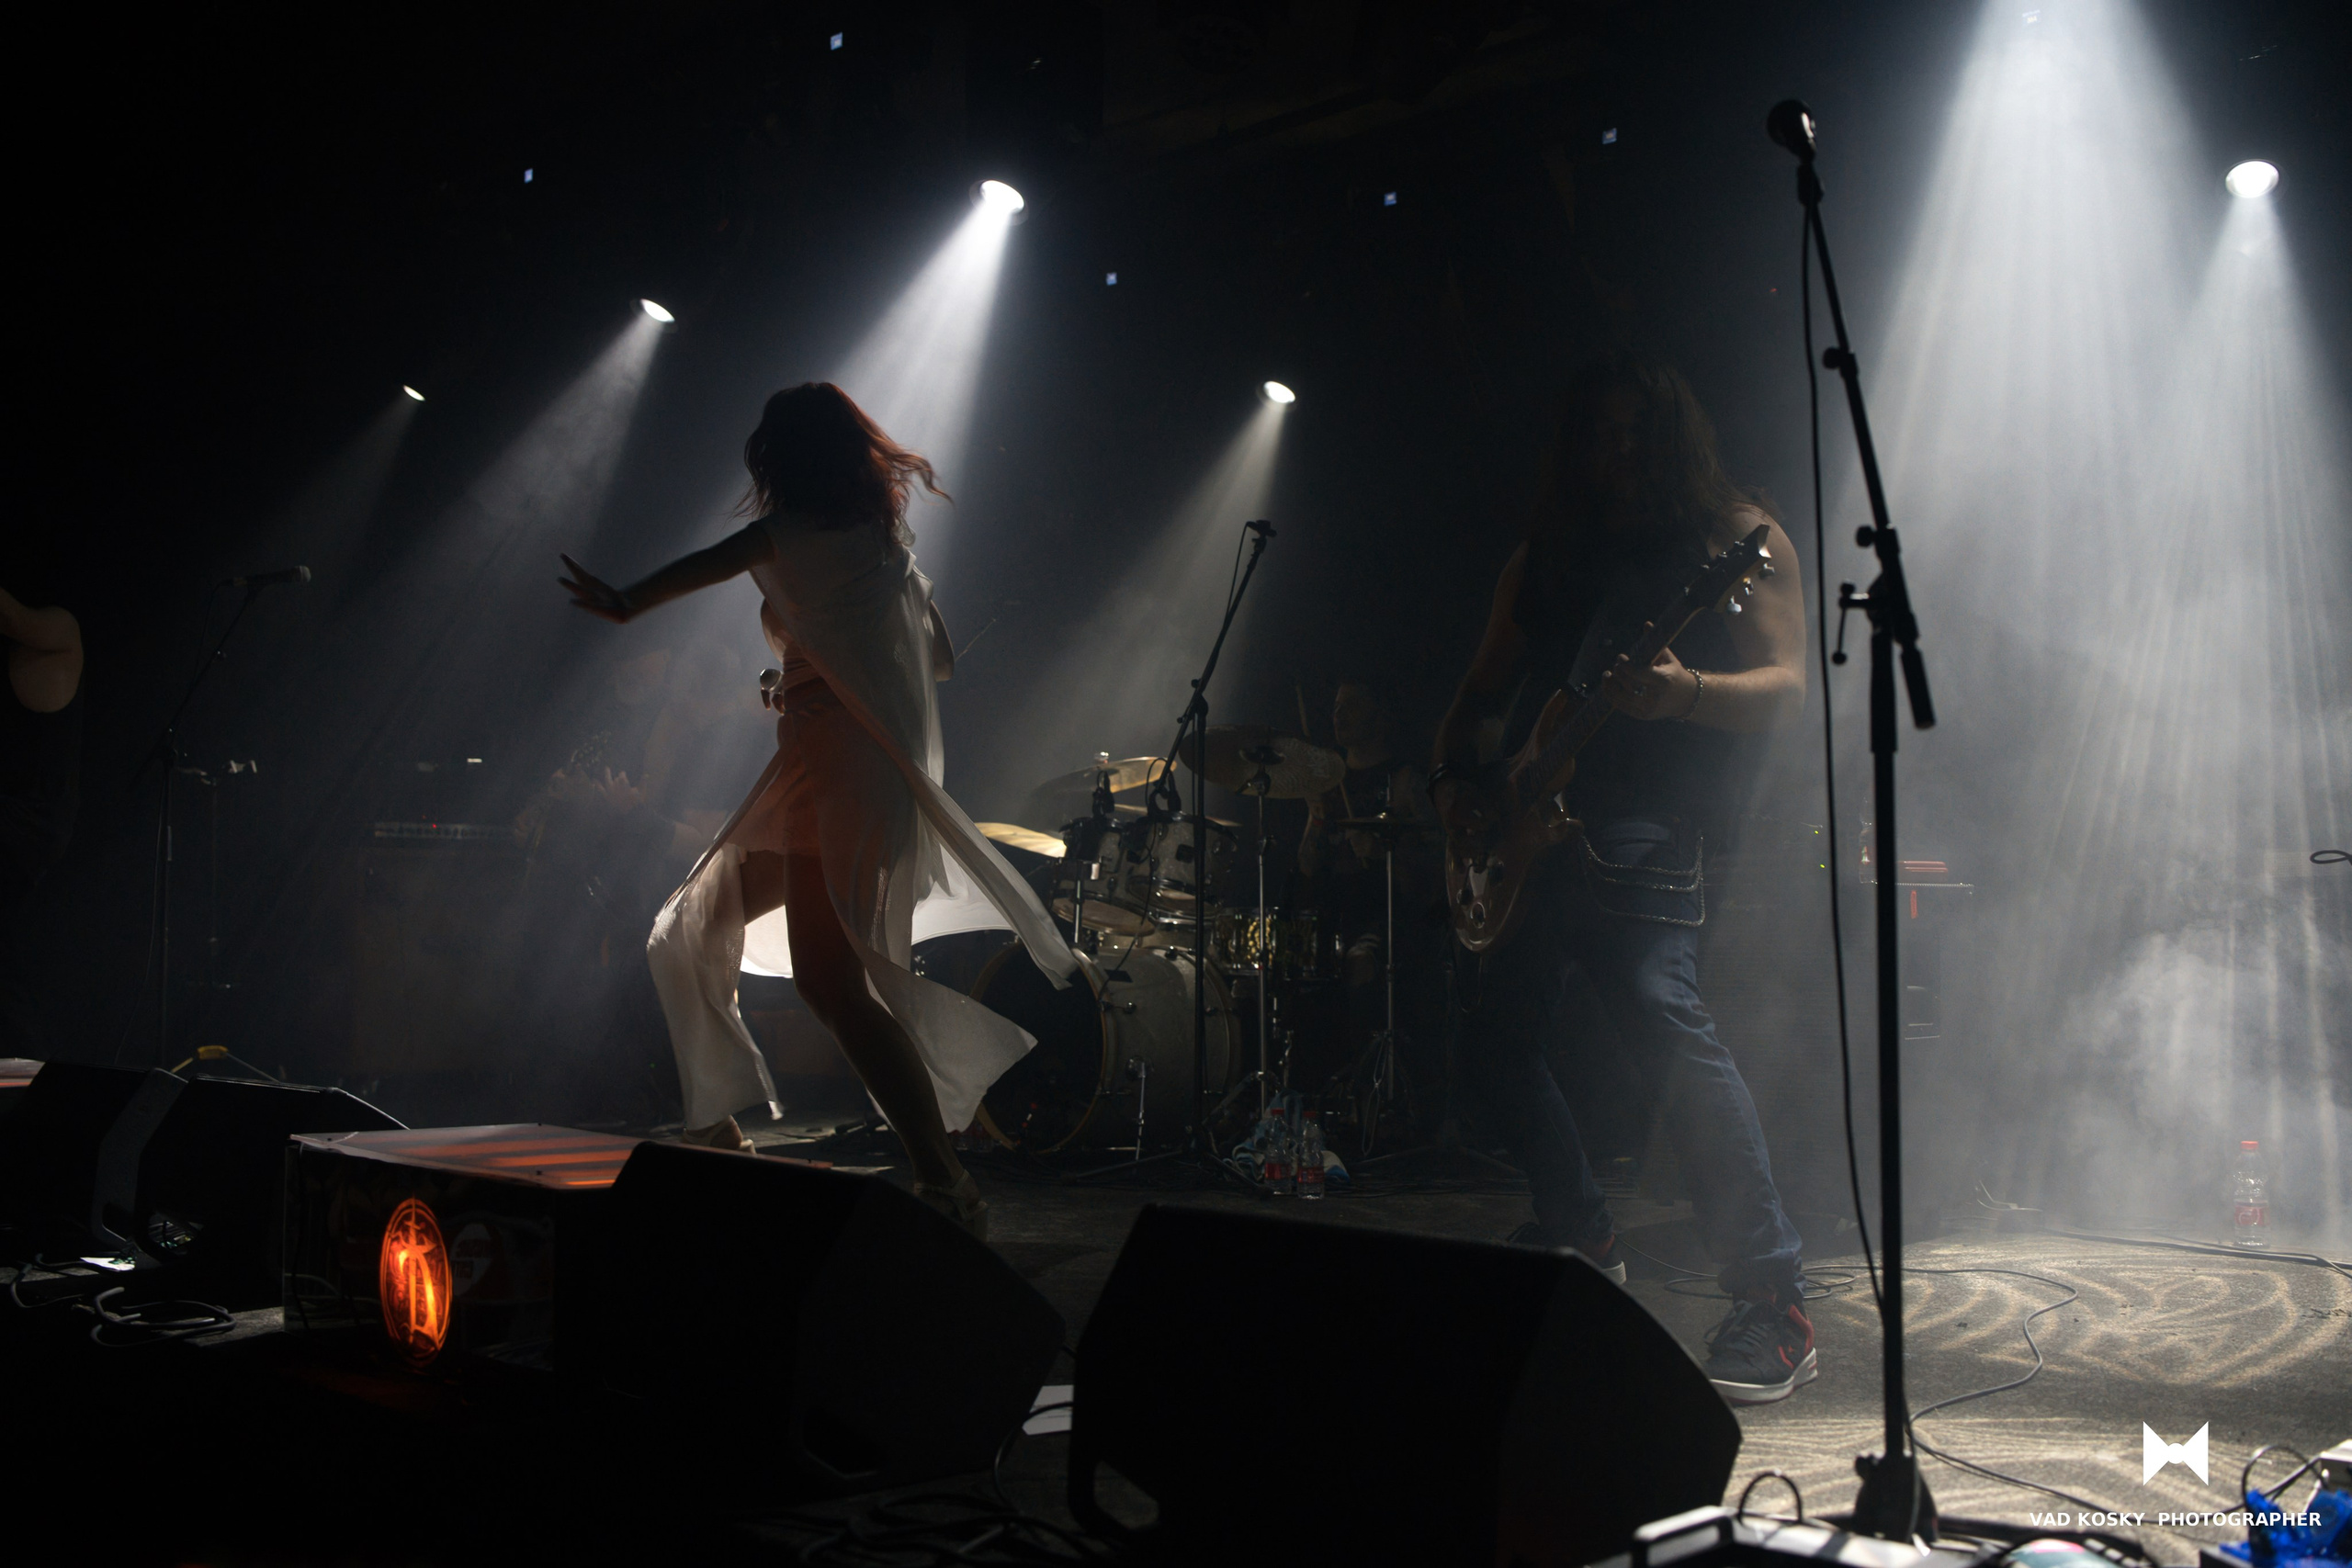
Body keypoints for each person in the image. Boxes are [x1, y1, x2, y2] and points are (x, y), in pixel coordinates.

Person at [558, 383, 1078, 1238]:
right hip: (825, 766)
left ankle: (946, 1180)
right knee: (693, 925)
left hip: (842, 774)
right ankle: (719, 1126)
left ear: (783, 462)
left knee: (828, 981)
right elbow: (938, 659)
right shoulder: (881, 545)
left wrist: (625, 600)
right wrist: (812, 668)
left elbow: (704, 566)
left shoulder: (786, 537)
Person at [1429, 352, 1814, 1404]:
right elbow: (1476, 696)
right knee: (1493, 1044)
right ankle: (1581, 1233)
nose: (1616, 450)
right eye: (1597, 433)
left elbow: (1787, 686)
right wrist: (1454, 787)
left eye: (1635, 430)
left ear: (1673, 434)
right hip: (1524, 828)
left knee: (1660, 1020)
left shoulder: (1732, 539)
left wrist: (1685, 693)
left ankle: (1773, 1296)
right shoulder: (1545, 556)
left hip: (1643, 823)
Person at [1296, 678, 1432, 1069]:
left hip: (1387, 918)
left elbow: (1436, 868)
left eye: (1352, 705)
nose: (1339, 714)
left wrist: (1383, 851)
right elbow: (1307, 866)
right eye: (1337, 706)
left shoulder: (1403, 780)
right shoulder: (1329, 779)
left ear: (1381, 716)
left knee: (1360, 966)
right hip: (1334, 916)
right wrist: (1316, 817)